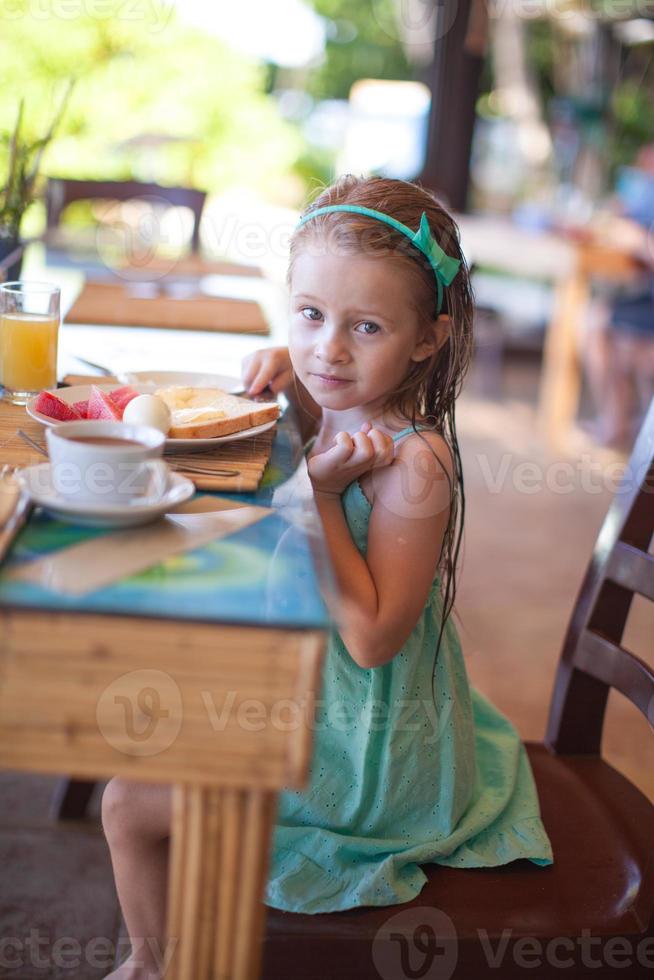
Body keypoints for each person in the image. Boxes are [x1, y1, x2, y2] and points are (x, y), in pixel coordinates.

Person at [101, 176, 553, 979]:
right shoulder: (341, 394)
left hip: (363, 748)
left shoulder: (418, 464)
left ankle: (153, 967)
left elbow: (375, 638)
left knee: (129, 801)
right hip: (306, 690)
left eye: (364, 326)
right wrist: (295, 375)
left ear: (426, 339)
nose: (328, 350)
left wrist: (319, 496)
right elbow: (323, 389)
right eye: (310, 315)